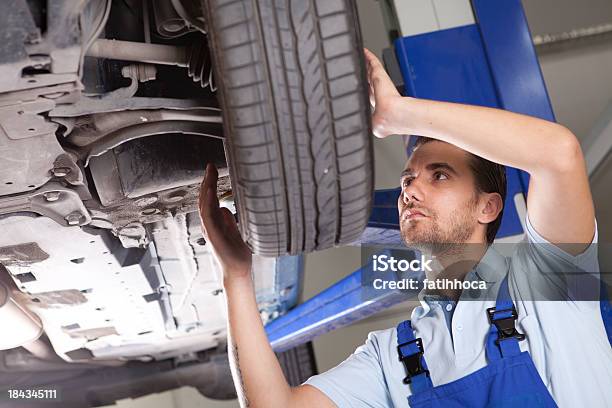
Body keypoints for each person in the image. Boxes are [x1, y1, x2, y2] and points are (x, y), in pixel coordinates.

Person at [198, 49, 612, 407]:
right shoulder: (394, 352)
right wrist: (235, 278)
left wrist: (403, 115)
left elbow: (559, 153)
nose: (411, 187)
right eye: (407, 179)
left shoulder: (547, 283)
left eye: (440, 175)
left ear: (488, 206)